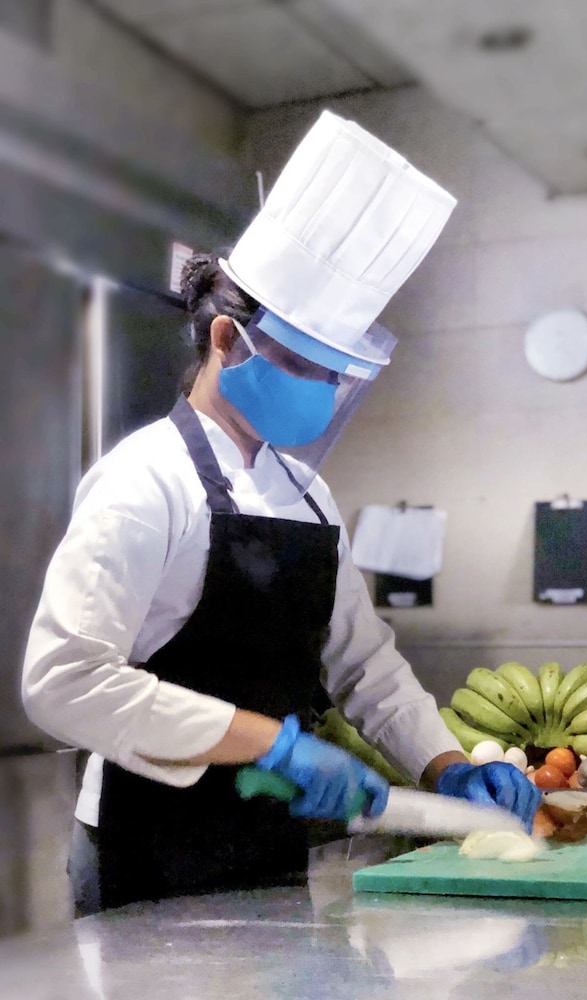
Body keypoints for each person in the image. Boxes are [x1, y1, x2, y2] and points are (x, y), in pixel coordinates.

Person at [22, 111, 540, 915]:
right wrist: (272, 743)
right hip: (146, 846)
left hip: (268, 841)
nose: (321, 391)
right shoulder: (143, 481)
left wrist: (446, 766)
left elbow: (365, 666)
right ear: (225, 339)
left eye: (334, 374)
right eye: (303, 363)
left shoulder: (305, 493)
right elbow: (63, 682)